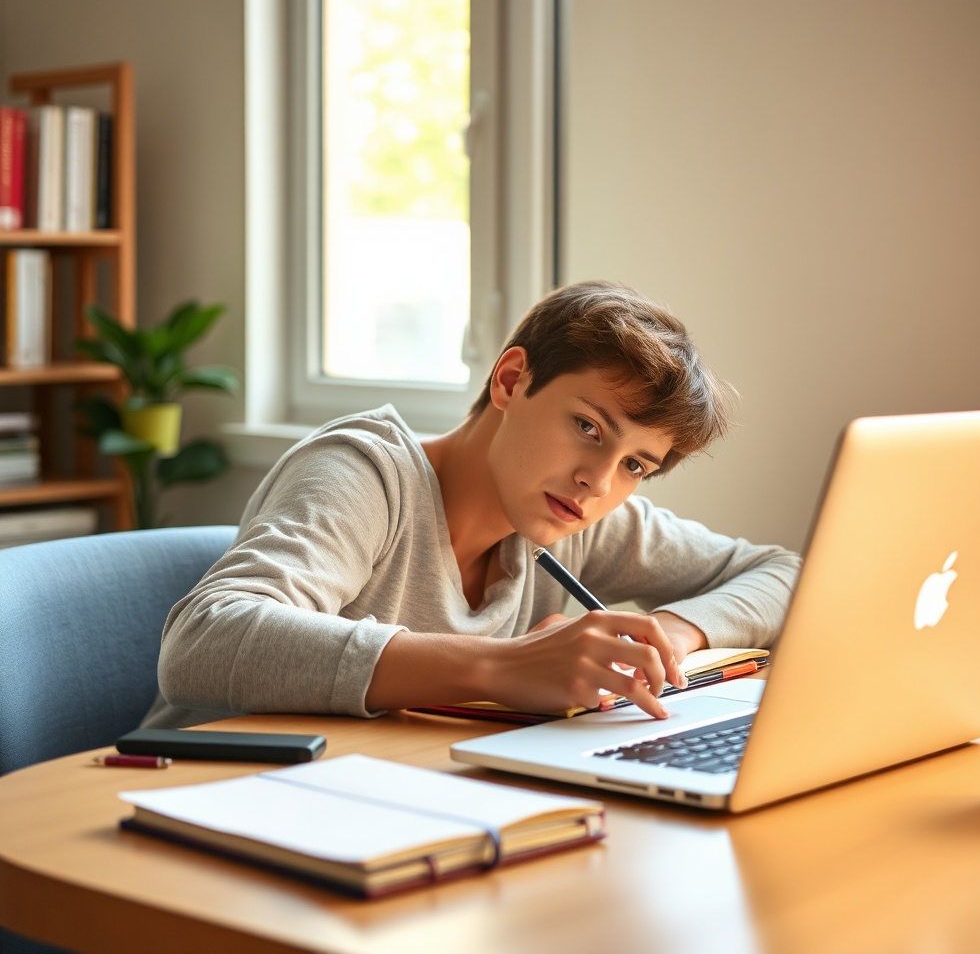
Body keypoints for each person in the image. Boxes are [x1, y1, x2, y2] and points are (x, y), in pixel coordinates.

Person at [145, 281, 800, 730]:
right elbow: (203, 642)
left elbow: (786, 572)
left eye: (635, 464)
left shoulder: (571, 517)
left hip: (371, 813)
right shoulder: (365, 473)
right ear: (511, 380)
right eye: (588, 427)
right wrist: (502, 667)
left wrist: (671, 635)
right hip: (201, 805)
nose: (598, 480)